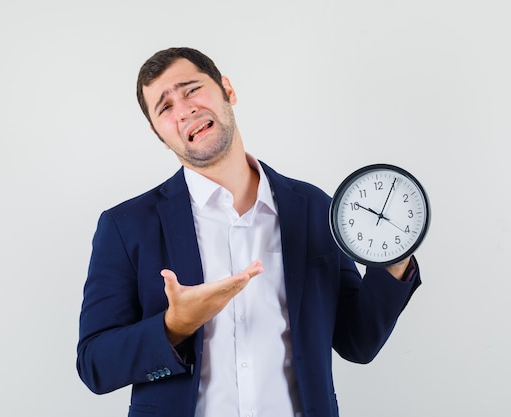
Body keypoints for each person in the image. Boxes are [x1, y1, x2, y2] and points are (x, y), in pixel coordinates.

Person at [77, 47, 421, 417]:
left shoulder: (313, 207)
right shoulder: (125, 226)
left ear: (228, 90)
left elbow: (359, 341)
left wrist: (393, 256)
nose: (184, 109)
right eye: (164, 107)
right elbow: (95, 365)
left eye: (191, 89)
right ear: (158, 132)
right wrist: (174, 326)